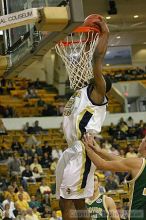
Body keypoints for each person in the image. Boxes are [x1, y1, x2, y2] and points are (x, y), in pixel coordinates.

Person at [56, 16, 112, 220]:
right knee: (77, 202)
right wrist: (89, 41)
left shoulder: (98, 92)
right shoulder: (82, 91)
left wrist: (104, 34)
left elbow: (96, 59)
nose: (96, 75)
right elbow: (86, 59)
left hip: (82, 150)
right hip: (72, 150)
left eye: (100, 76)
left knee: (67, 200)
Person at [82, 134, 146, 220]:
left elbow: (101, 164)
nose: (141, 141)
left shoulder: (138, 163)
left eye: (143, 139)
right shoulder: (136, 163)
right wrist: (100, 151)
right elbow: (122, 161)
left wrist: (88, 148)